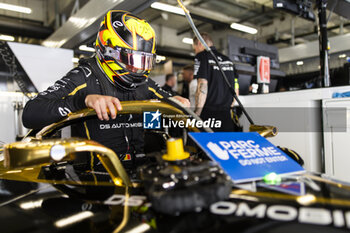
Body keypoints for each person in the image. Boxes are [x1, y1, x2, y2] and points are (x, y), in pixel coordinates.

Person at [22, 10, 189, 167]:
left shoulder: (144, 83)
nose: (138, 70)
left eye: (144, 62)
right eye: (132, 60)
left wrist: (178, 103)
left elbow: (172, 102)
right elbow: (30, 113)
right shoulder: (83, 76)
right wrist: (83, 101)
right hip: (95, 175)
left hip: (138, 168)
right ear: (108, 50)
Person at [193, 32, 239, 132]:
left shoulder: (201, 56)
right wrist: (231, 105)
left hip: (208, 113)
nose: (195, 51)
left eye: (194, 48)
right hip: (227, 115)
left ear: (200, 44)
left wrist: (197, 113)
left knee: (204, 146)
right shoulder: (228, 60)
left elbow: (202, 84)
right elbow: (236, 86)